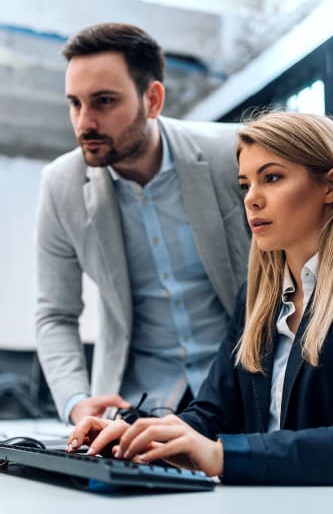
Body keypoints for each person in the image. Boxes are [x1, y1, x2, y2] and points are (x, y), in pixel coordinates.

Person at [67, 111, 333, 490]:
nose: (252, 199)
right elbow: (210, 416)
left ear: (331, 186)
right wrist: (131, 432)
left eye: (272, 178)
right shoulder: (258, 298)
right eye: (245, 184)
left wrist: (221, 455)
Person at [35, 22, 250, 425]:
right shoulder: (60, 184)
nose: (84, 123)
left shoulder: (233, 154)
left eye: (103, 101)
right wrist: (76, 402)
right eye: (75, 103)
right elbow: (55, 314)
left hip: (243, 390)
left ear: (152, 100)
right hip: (135, 403)